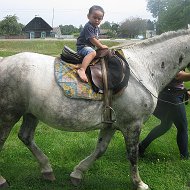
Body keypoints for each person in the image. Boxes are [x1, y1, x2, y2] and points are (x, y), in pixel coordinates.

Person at [139, 70, 190, 159]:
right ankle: (185, 157)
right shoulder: (174, 56)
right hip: (171, 96)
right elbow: (178, 75)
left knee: (165, 125)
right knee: (182, 127)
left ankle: (141, 147)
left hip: (169, 94)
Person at [76, 5, 108, 83]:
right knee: (92, 53)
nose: (97, 20)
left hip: (89, 47)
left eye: (99, 19)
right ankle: (82, 70)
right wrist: (101, 46)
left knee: (102, 52)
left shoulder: (97, 28)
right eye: (94, 17)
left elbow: (97, 39)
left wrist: (101, 47)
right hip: (82, 47)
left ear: (102, 19)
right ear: (88, 16)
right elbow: (92, 39)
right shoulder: (88, 26)